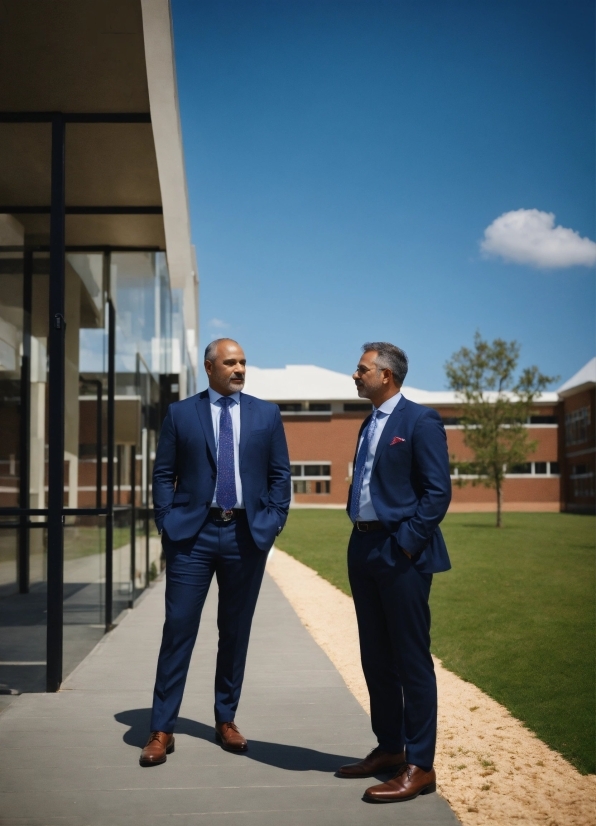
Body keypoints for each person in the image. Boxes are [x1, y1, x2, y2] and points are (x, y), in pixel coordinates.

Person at [140, 338, 291, 766]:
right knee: (178, 630)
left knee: (235, 631)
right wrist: (166, 523)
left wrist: (274, 519)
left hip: (247, 535)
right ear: (209, 368)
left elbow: (281, 473)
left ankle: (226, 719)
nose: (239, 368)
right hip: (192, 536)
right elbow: (163, 473)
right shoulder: (180, 413)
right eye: (230, 363)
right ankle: (162, 728)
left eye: (243, 361)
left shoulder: (267, 413)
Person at [337, 342, 451, 802]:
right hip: (362, 547)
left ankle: (420, 765)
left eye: (361, 369)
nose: (355, 374)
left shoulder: (419, 421)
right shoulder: (369, 422)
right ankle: (389, 749)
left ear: (386, 375)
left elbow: (437, 492)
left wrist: (405, 543)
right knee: (375, 657)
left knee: (410, 660)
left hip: (399, 551)